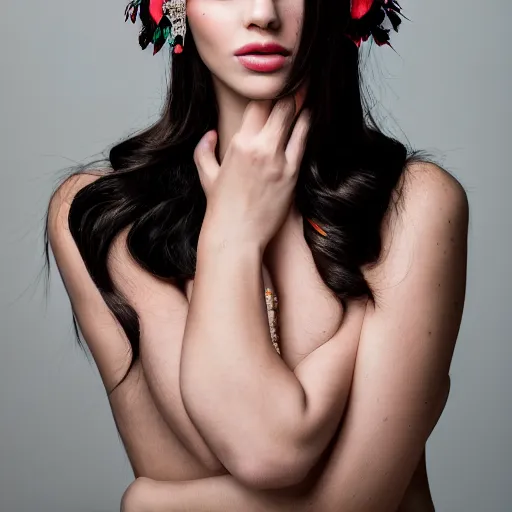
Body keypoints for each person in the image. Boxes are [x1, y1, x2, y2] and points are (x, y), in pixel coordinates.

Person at [44, 0, 469, 510]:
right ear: (174, 6)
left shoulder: (414, 204)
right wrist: (234, 232)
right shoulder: (104, 218)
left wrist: (155, 504)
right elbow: (259, 451)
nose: (262, 13)